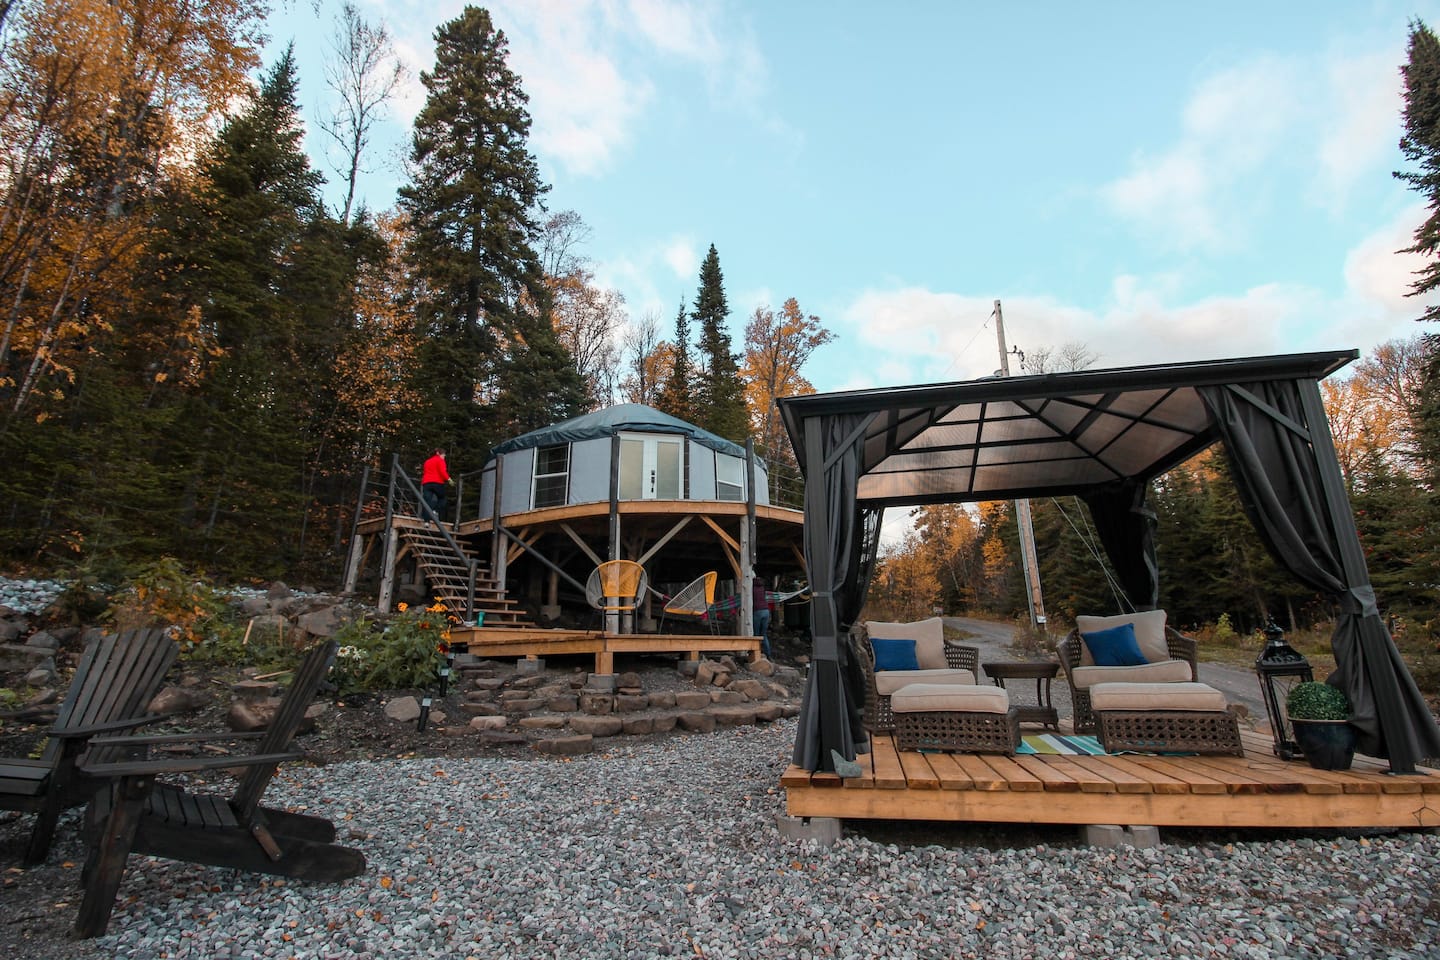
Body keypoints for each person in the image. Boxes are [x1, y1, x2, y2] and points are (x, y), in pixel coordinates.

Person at [421, 448, 451, 523]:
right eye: (443, 454)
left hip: (426, 483)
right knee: (442, 498)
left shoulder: (427, 461)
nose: (444, 456)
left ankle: (426, 522)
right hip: (437, 482)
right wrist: (449, 479)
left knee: (427, 501)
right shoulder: (440, 460)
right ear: (438, 453)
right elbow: (442, 471)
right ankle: (435, 511)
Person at [751, 573, 774, 659]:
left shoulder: (751, 588)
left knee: (756, 634)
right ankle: (768, 655)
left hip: (758, 611)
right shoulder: (762, 587)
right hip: (766, 611)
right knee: (763, 634)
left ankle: (756, 653)